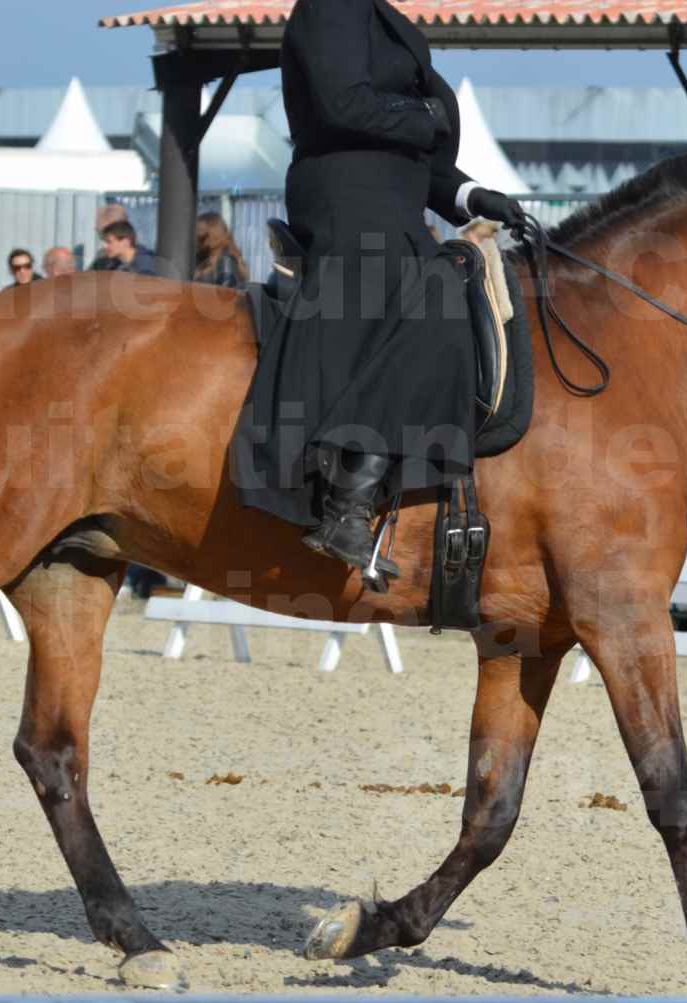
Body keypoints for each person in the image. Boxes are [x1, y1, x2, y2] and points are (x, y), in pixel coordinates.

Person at [248, 0, 526, 582]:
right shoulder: (333, 8)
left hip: (392, 200)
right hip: (344, 192)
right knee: (435, 296)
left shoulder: (386, 21)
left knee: (458, 282)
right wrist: (428, 116)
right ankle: (347, 502)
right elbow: (341, 103)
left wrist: (477, 198)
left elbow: (423, 165)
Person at [194, 212, 249, 289]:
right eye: (197, 230)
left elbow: (225, 295)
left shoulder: (227, 261)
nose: (198, 235)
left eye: (201, 230)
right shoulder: (202, 256)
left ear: (214, 231)